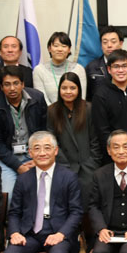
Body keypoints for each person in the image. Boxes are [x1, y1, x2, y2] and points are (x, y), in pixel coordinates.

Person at [2, 131, 83, 253]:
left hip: (58, 231)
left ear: (56, 151)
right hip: (29, 233)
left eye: (47, 148)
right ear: (30, 152)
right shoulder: (23, 179)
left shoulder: (69, 177)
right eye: (37, 148)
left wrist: (61, 234)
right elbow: (14, 212)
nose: (42, 152)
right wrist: (13, 232)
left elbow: (76, 212)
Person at [47, 72, 102, 225]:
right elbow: (52, 143)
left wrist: (92, 164)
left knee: (89, 204)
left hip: (88, 166)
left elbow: (95, 140)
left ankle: (90, 235)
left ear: (79, 89)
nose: (68, 92)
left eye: (72, 88)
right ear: (59, 90)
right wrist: (64, 166)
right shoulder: (52, 110)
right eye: (64, 88)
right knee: (65, 204)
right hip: (63, 166)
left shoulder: (88, 108)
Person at [0, 66, 47, 196]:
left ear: (23, 84)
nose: (12, 88)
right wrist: (18, 166)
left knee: (43, 193)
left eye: (16, 83)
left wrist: (38, 156)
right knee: (7, 198)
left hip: (35, 154)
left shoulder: (37, 99)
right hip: (8, 157)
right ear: (1, 87)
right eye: (7, 84)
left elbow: (44, 130)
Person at [32, 31, 86, 105]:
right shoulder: (39, 70)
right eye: (56, 46)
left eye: (64, 46)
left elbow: (81, 98)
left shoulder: (79, 69)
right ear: (49, 48)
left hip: (75, 113)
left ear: (69, 49)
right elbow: (41, 99)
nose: (60, 49)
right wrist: (54, 113)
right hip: (49, 114)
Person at [85, 25, 124, 101]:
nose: (109, 45)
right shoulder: (91, 67)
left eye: (113, 42)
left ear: (121, 43)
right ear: (101, 45)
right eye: (105, 42)